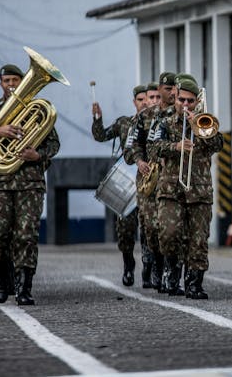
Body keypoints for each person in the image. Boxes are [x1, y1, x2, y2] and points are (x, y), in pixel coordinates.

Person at [0, 64, 60, 305]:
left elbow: (54, 144)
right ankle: (0, 276)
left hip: (30, 184)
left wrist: (38, 156)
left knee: (26, 235)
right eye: (7, 81)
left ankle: (24, 286)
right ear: (0, 83)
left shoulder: (37, 108)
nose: (12, 85)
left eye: (16, 80)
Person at [149, 79, 224, 298]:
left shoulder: (204, 121)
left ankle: (194, 284)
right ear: (176, 97)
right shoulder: (163, 121)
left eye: (190, 101)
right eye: (182, 100)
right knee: (169, 234)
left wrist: (199, 129)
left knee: (198, 240)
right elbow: (153, 149)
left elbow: (218, 145)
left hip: (199, 190)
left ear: (196, 102)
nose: (185, 105)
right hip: (171, 189)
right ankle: (172, 271)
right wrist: (175, 146)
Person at [92, 85, 149, 287]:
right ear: (134, 102)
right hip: (127, 179)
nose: (144, 103)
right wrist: (97, 119)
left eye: (147, 99)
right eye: (140, 99)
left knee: (149, 229)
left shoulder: (156, 122)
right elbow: (101, 136)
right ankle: (128, 263)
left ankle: (149, 269)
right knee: (125, 228)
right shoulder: (125, 123)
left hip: (149, 180)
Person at [125, 71, 177, 291]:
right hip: (149, 180)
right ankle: (155, 264)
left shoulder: (182, 115)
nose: (172, 93)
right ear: (159, 90)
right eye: (167, 89)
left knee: (170, 230)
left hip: (172, 180)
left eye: (175, 88)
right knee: (151, 229)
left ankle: (169, 272)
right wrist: (139, 161)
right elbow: (132, 145)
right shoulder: (146, 116)